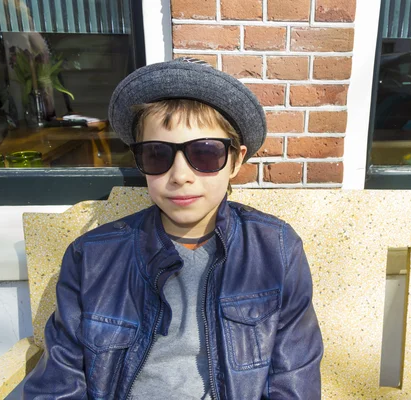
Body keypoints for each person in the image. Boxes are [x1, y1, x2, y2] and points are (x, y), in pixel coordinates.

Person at [23, 57, 323, 399]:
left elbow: (294, 379)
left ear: (236, 160)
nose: (180, 175)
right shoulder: (91, 258)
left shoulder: (276, 249)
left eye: (206, 153)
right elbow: (59, 384)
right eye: (157, 155)